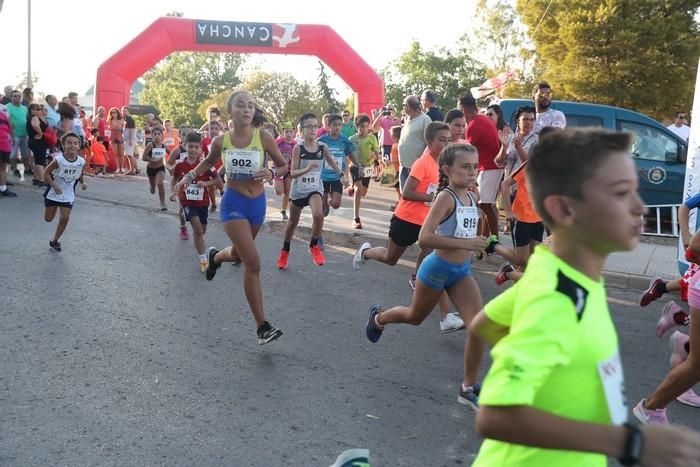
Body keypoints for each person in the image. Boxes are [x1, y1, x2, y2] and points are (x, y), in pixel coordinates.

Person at [470, 128, 700, 467]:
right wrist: (629, 443)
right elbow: (495, 417)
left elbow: (483, 324)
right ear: (564, 210)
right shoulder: (556, 297)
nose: (639, 207)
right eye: (621, 193)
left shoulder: (565, 279)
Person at [365, 143, 486, 408]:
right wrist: (467, 244)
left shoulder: (472, 196)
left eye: (475, 167)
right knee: (414, 317)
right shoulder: (446, 197)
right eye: (465, 167)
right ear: (447, 170)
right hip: (437, 269)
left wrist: (478, 245)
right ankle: (378, 317)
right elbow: (424, 238)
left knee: (478, 326)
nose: (471, 172)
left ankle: (467, 387)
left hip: (461, 271)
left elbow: (469, 231)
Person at [174, 90, 288, 345]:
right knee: (253, 262)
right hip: (233, 203)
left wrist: (271, 173)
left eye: (251, 106)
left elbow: (283, 165)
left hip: (257, 205)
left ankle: (215, 257)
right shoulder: (220, 141)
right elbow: (207, 163)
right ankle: (262, 327)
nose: (247, 110)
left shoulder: (264, 137)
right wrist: (188, 177)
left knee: (238, 255)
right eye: (241, 105)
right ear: (231, 111)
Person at [354, 122, 471, 333]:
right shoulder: (423, 163)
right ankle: (367, 252)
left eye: (448, 140)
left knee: (435, 261)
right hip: (406, 219)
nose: (446, 144)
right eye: (441, 140)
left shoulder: (447, 165)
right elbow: (407, 192)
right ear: (430, 142)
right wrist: (432, 197)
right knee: (391, 258)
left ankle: (444, 315)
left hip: (428, 223)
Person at [276, 113, 348, 269]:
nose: (313, 129)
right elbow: (293, 172)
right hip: (299, 190)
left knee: (318, 214)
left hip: (315, 189)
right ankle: (285, 250)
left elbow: (331, 161)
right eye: (309, 127)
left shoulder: (322, 147)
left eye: (315, 126)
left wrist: (341, 175)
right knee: (292, 222)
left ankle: (314, 245)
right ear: (302, 130)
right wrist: (307, 168)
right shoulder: (298, 148)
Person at [172, 132, 218, 273]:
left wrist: (206, 183)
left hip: (203, 202)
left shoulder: (205, 165)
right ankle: (203, 259)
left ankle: (199, 244)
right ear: (185, 146)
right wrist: (174, 192)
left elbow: (218, 181)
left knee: (202, 231)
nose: (193, 149)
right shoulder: (180, 165)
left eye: (196, 147)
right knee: (198, 230)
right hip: (187, 202)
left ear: (200, 149)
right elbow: (174, 179)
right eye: (190, 146)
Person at [459, 95, 501, 237]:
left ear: (464, 109)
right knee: (486, 205)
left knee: (485, 205)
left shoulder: (474, 125)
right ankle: (485, 238)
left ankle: (493, 240)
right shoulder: (482, 119)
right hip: (490, 167)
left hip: (489, 167)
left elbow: (466, 150)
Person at [42, 132, 87, 252]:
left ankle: (55, 240)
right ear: (63, 145)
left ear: (79, 146)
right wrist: (54, 185)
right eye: (69, 143)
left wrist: (83, 182)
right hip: (53, 192)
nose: (72, 145)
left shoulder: (81, 161)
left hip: (67, 194)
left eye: (75, 143)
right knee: (48, 219)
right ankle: (54, 206)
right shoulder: (59, 160)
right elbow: (46, 172)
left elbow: (80, 173)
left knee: (65, 217)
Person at [318, 113, 359, 217]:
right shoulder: (322, 140)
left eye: (339, 125)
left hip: (337, 176)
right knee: (322, 211)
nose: (337, 127)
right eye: (334, 125)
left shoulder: (345, 140)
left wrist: (359, 166)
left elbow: (351, 155)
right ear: (329, 126)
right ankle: (319, 230)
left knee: (336, 204)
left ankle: (328, 201)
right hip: (323, 176)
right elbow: (314, 153)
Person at [349, 114, 380, 229]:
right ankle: (356, 218)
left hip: (368, 168)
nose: (364, 129)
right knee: (358, 190)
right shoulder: (352, 139)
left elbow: (378, 154)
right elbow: (347, 156)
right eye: (362, 126)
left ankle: (354, 187)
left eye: (366, 126)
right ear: (357, 127)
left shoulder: (372, 138)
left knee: (363, 193)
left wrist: (375, 155)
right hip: (356, 167)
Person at [397, 95, 432, 191]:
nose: (403, 108)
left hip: (416, 167)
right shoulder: (407, 119)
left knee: (413, 194)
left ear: (408, 106)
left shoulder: (425, 119)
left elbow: (429, 143)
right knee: (404, 195)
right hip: (404, 165)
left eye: (404, 105)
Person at [494, 106, 538, 177]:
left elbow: (531, 165)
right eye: (525, 119)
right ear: (518, 121)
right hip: (507, 185)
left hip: (525, 185)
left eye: (532, 119)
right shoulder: (510, 137)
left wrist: (519, 148)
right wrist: (504, 147)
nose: (529, 122)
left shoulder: (538, 140)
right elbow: (499, 163)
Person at [142, 127, 169, 211]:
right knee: (153, 187)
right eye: (155, 134)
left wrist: (174, 162)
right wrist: (152, 160)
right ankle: (152, 186)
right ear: (152, 136)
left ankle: (163, 203)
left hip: (160, 168)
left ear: (162, 136)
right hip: (151, 169)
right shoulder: (150, 145)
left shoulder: (164, 146)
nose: (157, 136)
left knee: (160, 183)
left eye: (159, 134)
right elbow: (143, 157)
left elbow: (172, 154)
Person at [274, 121, 297, 221]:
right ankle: (278, 184)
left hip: (289, 171)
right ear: (283, 133)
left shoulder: (296, 144)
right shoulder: (279, 142)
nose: (288, 134)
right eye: (286, 132)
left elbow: (298, 158)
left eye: (290, 131)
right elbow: (270, 151)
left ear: (294, 132)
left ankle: (283, 211)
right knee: (280, 191)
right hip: (279, 169)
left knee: (288, 192)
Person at [7, 89, 32, 178]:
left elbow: (26, 119)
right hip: (13, 134)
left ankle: (27, 168)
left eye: (19, 96)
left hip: (25, 134)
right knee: (13, 154)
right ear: (11, 97)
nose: (17, 97)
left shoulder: (24, 108)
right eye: (14, 96)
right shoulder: (7, 107)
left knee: (25, 153)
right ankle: (14, 169)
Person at [26, 103, 50, 186]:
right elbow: (35, 125)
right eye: (38, 109)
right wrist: (40, 133)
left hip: (35, 141)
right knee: (40, 161)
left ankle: (35, 178)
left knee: (37, 160)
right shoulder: (34, 117)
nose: (40, 110)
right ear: (32, 110)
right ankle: (41, 179)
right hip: (38, 142)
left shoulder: (33, 117)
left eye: (40, 109)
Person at [0, 104, 17, 197]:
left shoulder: (3, 114)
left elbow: (10, 126)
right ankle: (3, 189)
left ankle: (3, 188)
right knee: (2, 167)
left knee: (3, 167)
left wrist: (13, 137)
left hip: (4, 145)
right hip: (3, 145)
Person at [108, 107, 126, 174]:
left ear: (117, 113)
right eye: (112, 112)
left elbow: (125, 130)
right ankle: (118, 168)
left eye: (115, 112)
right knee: (115, 154)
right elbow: (108, 130)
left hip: (120, 137)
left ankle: (122, 168)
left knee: (121, 153)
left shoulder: (121, 120)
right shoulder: (110, 120)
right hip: (113, 138)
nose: (113, 114)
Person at [122, 106, 139, 175]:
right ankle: (135, 169)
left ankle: (132, 170)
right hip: (128, 139)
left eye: (125, 111)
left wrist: (131, 140)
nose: (124, 112)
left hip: (130, 140)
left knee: (130, 155)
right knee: (130, 155)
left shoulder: (130, 120)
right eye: (123, 111)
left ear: (128, 111)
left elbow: (132, 130)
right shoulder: (126, 119)